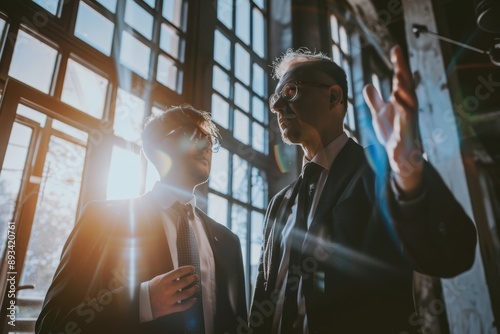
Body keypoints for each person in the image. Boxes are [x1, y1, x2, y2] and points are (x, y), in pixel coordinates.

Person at [249, 46, 477, 334]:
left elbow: (452, 253)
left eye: (291, 91)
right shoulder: (279, 203)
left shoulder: (379, 169)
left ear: (333, 96)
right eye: (275, 98)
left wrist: (408, 174)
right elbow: (264, 294)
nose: (276, 106)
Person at [36, 104, 247, 334]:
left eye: (209, 139)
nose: (206, 145)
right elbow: (52, 324)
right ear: (157, 147)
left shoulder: (228, 241)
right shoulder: (101, 221)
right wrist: (142, 303)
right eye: (194, 134)